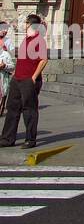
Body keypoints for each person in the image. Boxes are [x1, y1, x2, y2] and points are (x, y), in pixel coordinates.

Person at [1, 15, 49, 149]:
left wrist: (34, 77)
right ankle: (7, 139)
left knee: (29, 110)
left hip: (29, 80)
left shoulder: (39, 40)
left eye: (27, 22)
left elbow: (44, 59)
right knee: (12, 108)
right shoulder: (26, 39)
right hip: (18, 78)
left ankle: (30, 140)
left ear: (31, 25)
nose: (25, 24)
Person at [0, 21, 14, 119]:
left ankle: (1, 108)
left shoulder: (8, 41)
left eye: (6, 29)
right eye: (2, 29)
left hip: (3, 75)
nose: (4, 31)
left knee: (3, 93)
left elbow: (12, 57)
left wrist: (4, 65)